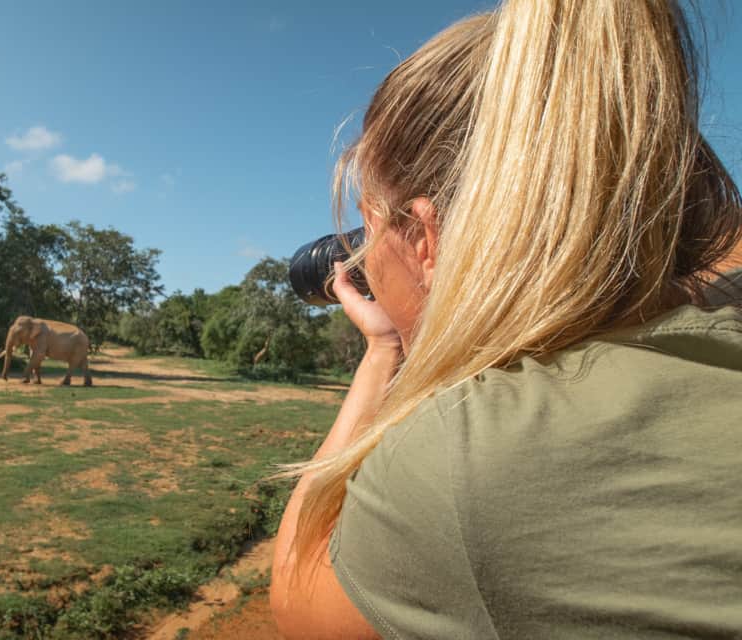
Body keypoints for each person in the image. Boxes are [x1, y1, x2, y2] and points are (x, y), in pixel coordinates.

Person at [269, 1, 742, 638]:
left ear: (426, 241)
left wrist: (384, 352)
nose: (364, 255)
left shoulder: (469, 455)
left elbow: (299, 595)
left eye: (371, 223)